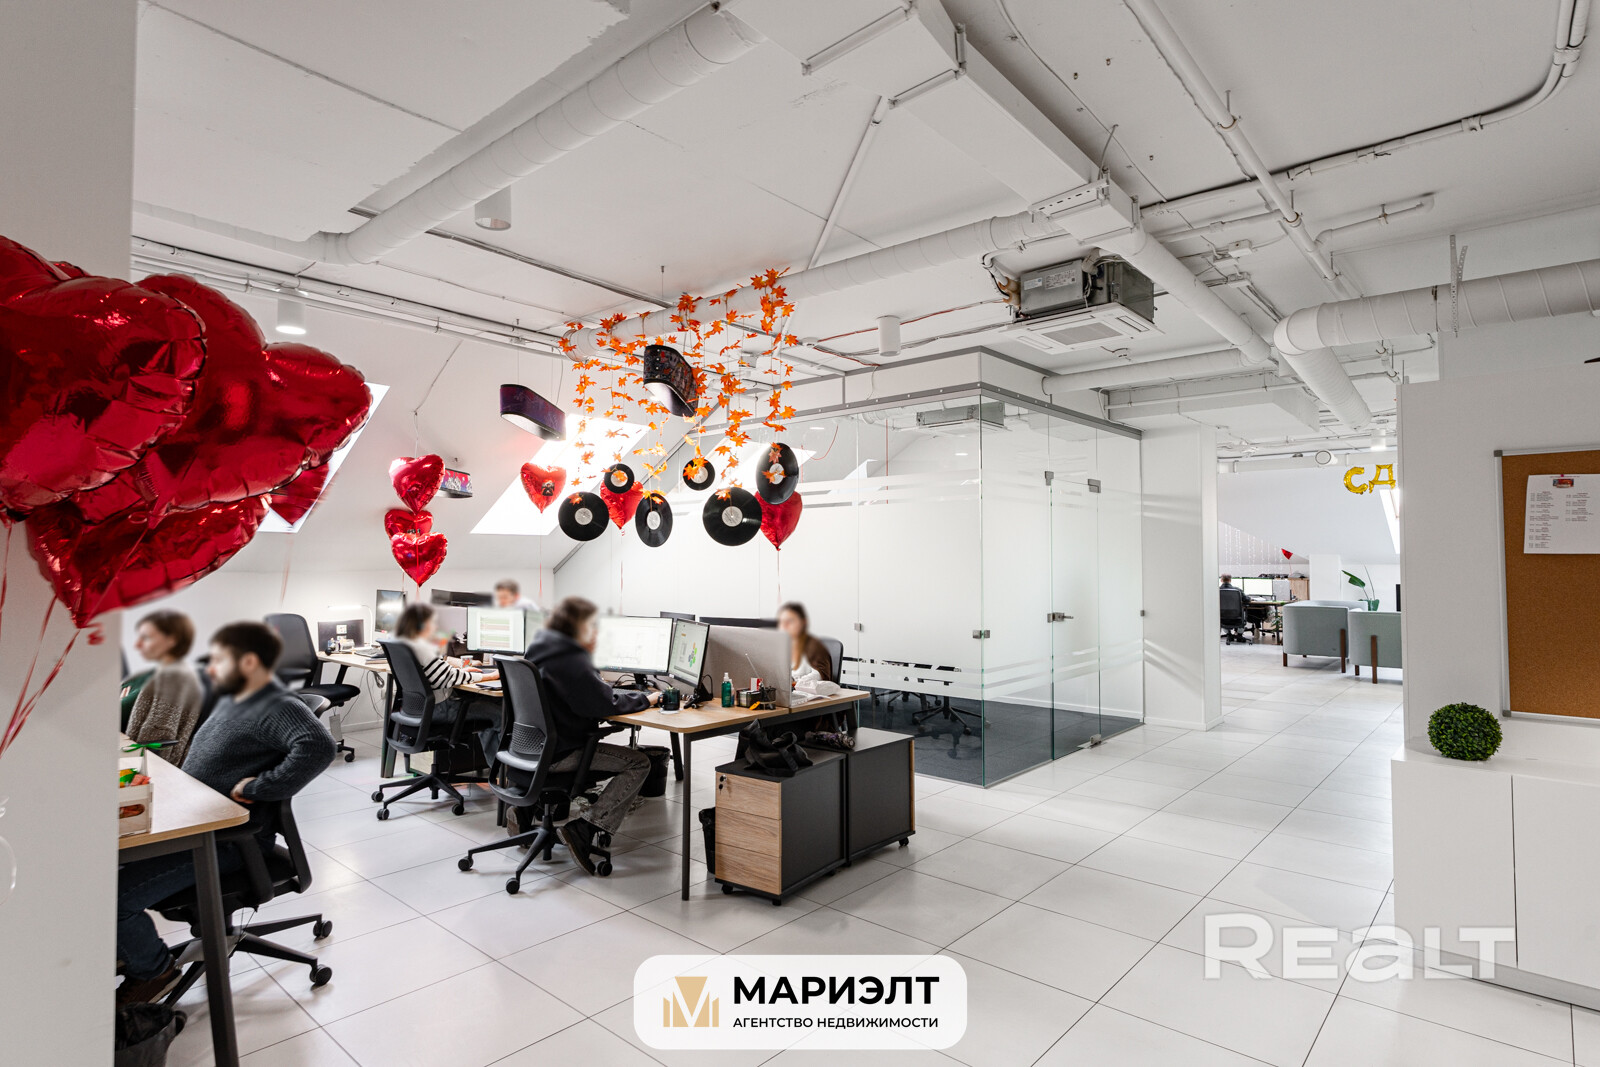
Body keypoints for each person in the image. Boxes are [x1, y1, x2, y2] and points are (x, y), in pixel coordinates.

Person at [115, 622, 335, 1005]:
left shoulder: (273, 703)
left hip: (228, 843)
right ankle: (131, 949)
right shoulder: (234, 697)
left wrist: (257, 788)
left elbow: (319, 746)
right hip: (197, 824)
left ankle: (155, 971)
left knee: (114, 900)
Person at [523, 596, 657, 874]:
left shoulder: (540, 646)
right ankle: (585, 828)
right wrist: (646, 699)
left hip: (527, 749)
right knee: (639, 762)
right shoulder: (572, 660)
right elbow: (605, 704)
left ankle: (523, 812)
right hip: (560, 753)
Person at [123, 611, 204, 764]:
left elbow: (156, 744)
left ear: (171, 641)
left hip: (126, 766)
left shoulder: (174, 679)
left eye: (146, 638)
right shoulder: (151, 674)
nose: (137, 645)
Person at [777, 602, 832, 683]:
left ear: (803, 622)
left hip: (806, 689)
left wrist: (795, 682)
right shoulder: (784, 645)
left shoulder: (814, 646)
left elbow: (821, 675)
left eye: (790, 621)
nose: (785, 626)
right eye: (782, 622)